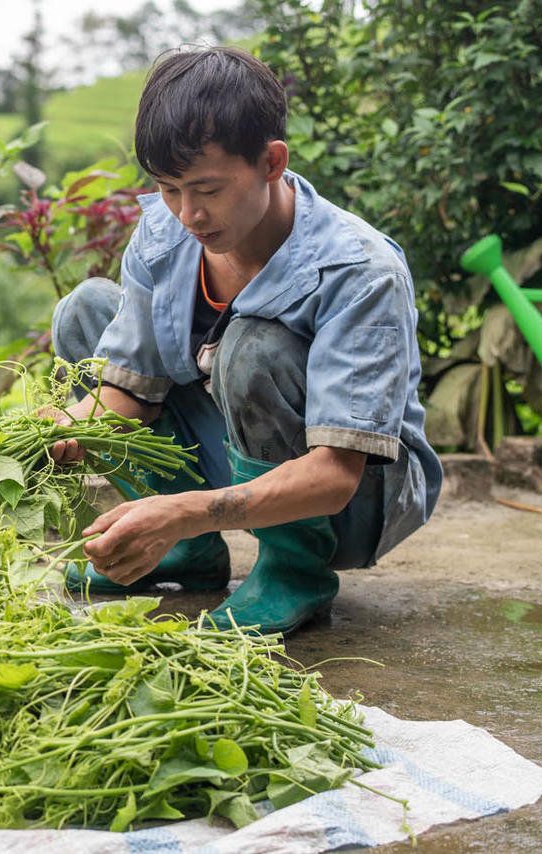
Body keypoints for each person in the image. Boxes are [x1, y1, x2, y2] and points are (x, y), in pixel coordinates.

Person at [48, 46, 442, 635]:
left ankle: (294, 569)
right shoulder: (164, 235)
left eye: (207, 189)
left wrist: (184, 511)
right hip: (238, 459)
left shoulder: (359, 271)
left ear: (271, 162)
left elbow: (336, 474)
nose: (188, 214)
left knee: (252, 346)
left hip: (352, 497)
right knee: (85, 312)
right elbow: (128, 391)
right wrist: (63, 428)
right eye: (169, 189)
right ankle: (188, 552)